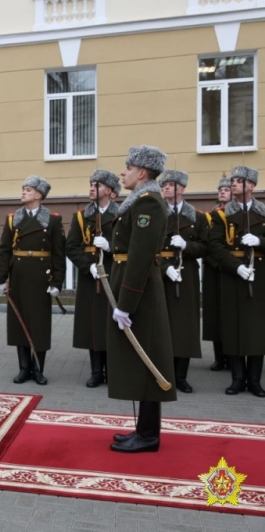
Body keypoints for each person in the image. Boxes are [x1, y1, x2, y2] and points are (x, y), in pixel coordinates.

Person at [108, 145, 176, 453]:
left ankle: (149, 435)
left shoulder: (149, 204)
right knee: (140, 358)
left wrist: (126, 304)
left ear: (142, 172)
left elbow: (140, 258)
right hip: (131, 284)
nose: (123, 172)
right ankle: (143, 429)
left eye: (128, 167)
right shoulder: (138, 201)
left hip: (141, 291)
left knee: (148, 358)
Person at [0, 176, 66, 386]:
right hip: (18, 275)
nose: (24, 192)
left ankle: (38, 369)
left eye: (28, 189)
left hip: (41, 278)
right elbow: (4, 250)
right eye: (23, 189)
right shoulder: (13, 219)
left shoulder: (52, 220)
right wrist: (0, 278)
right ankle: (24, 368)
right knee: (19, 322)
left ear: (39, 195)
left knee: (39, 324)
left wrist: (57, 282)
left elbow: (58, 253)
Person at [207, 166, 265, 398]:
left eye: (239, 181)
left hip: (258, 276)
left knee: (256, 329)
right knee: (232, 328)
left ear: (251, 186)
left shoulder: (263, 213)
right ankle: (237, 379)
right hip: (232, 275)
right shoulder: (222, 215)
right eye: (233, 181)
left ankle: (254, 380)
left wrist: (260, 241)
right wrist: (236, 266)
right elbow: (215, 245)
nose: (234, 184)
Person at [65, 170, 119, 388]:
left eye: (96, 186)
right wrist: (88, 266)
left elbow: (132, 246)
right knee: (93, 324)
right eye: (91, 184)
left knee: (112, 322)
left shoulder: (122, 214)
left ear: (110, 191)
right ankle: (96, 371)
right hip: (91, 277)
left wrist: (111, 247)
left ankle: (114, 370)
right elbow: (71, 247)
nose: (91, 188)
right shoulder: (81, 216)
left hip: (114, 274)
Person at [159, 170, 207, 393]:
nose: (166, 187)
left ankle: (181, 376)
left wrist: (187, 246)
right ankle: (163, 374)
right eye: (164, 184)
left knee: (184, 326)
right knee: (163, 324)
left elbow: (206, 247)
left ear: (182, 189)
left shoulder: (196, 216)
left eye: (171, 184)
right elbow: (146, 247)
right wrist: (166, 267)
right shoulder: (157, 214)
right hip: (161, 272)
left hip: (186, 273)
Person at [203, 176, 231, 372]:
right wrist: (219, 262)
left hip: (234, 268)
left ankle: (234, 355)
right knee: (215, 313)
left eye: (226, 189)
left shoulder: (241, 214)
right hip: (215, 268)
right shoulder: (211, 216)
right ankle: (220, 357)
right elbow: (207, 243)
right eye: (220, 189)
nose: (222, 191)